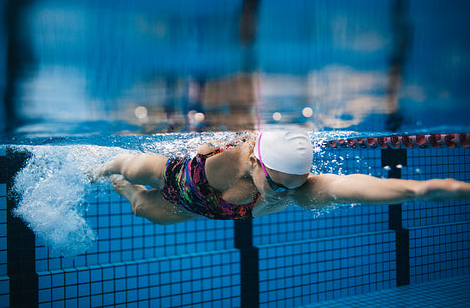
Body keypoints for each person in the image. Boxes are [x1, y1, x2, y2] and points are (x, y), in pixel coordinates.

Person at [90, 130, 470, 225]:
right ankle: (99, 167)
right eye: (276, 183)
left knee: (141, 207)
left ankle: (121, 188)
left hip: (198, 209)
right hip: (175, 175)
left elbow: (405, 189)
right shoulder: (231, 149)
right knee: (125, 165)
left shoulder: (299, 191)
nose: (286, 192)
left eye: (296, 183)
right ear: (255, 161)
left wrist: (431, 190)